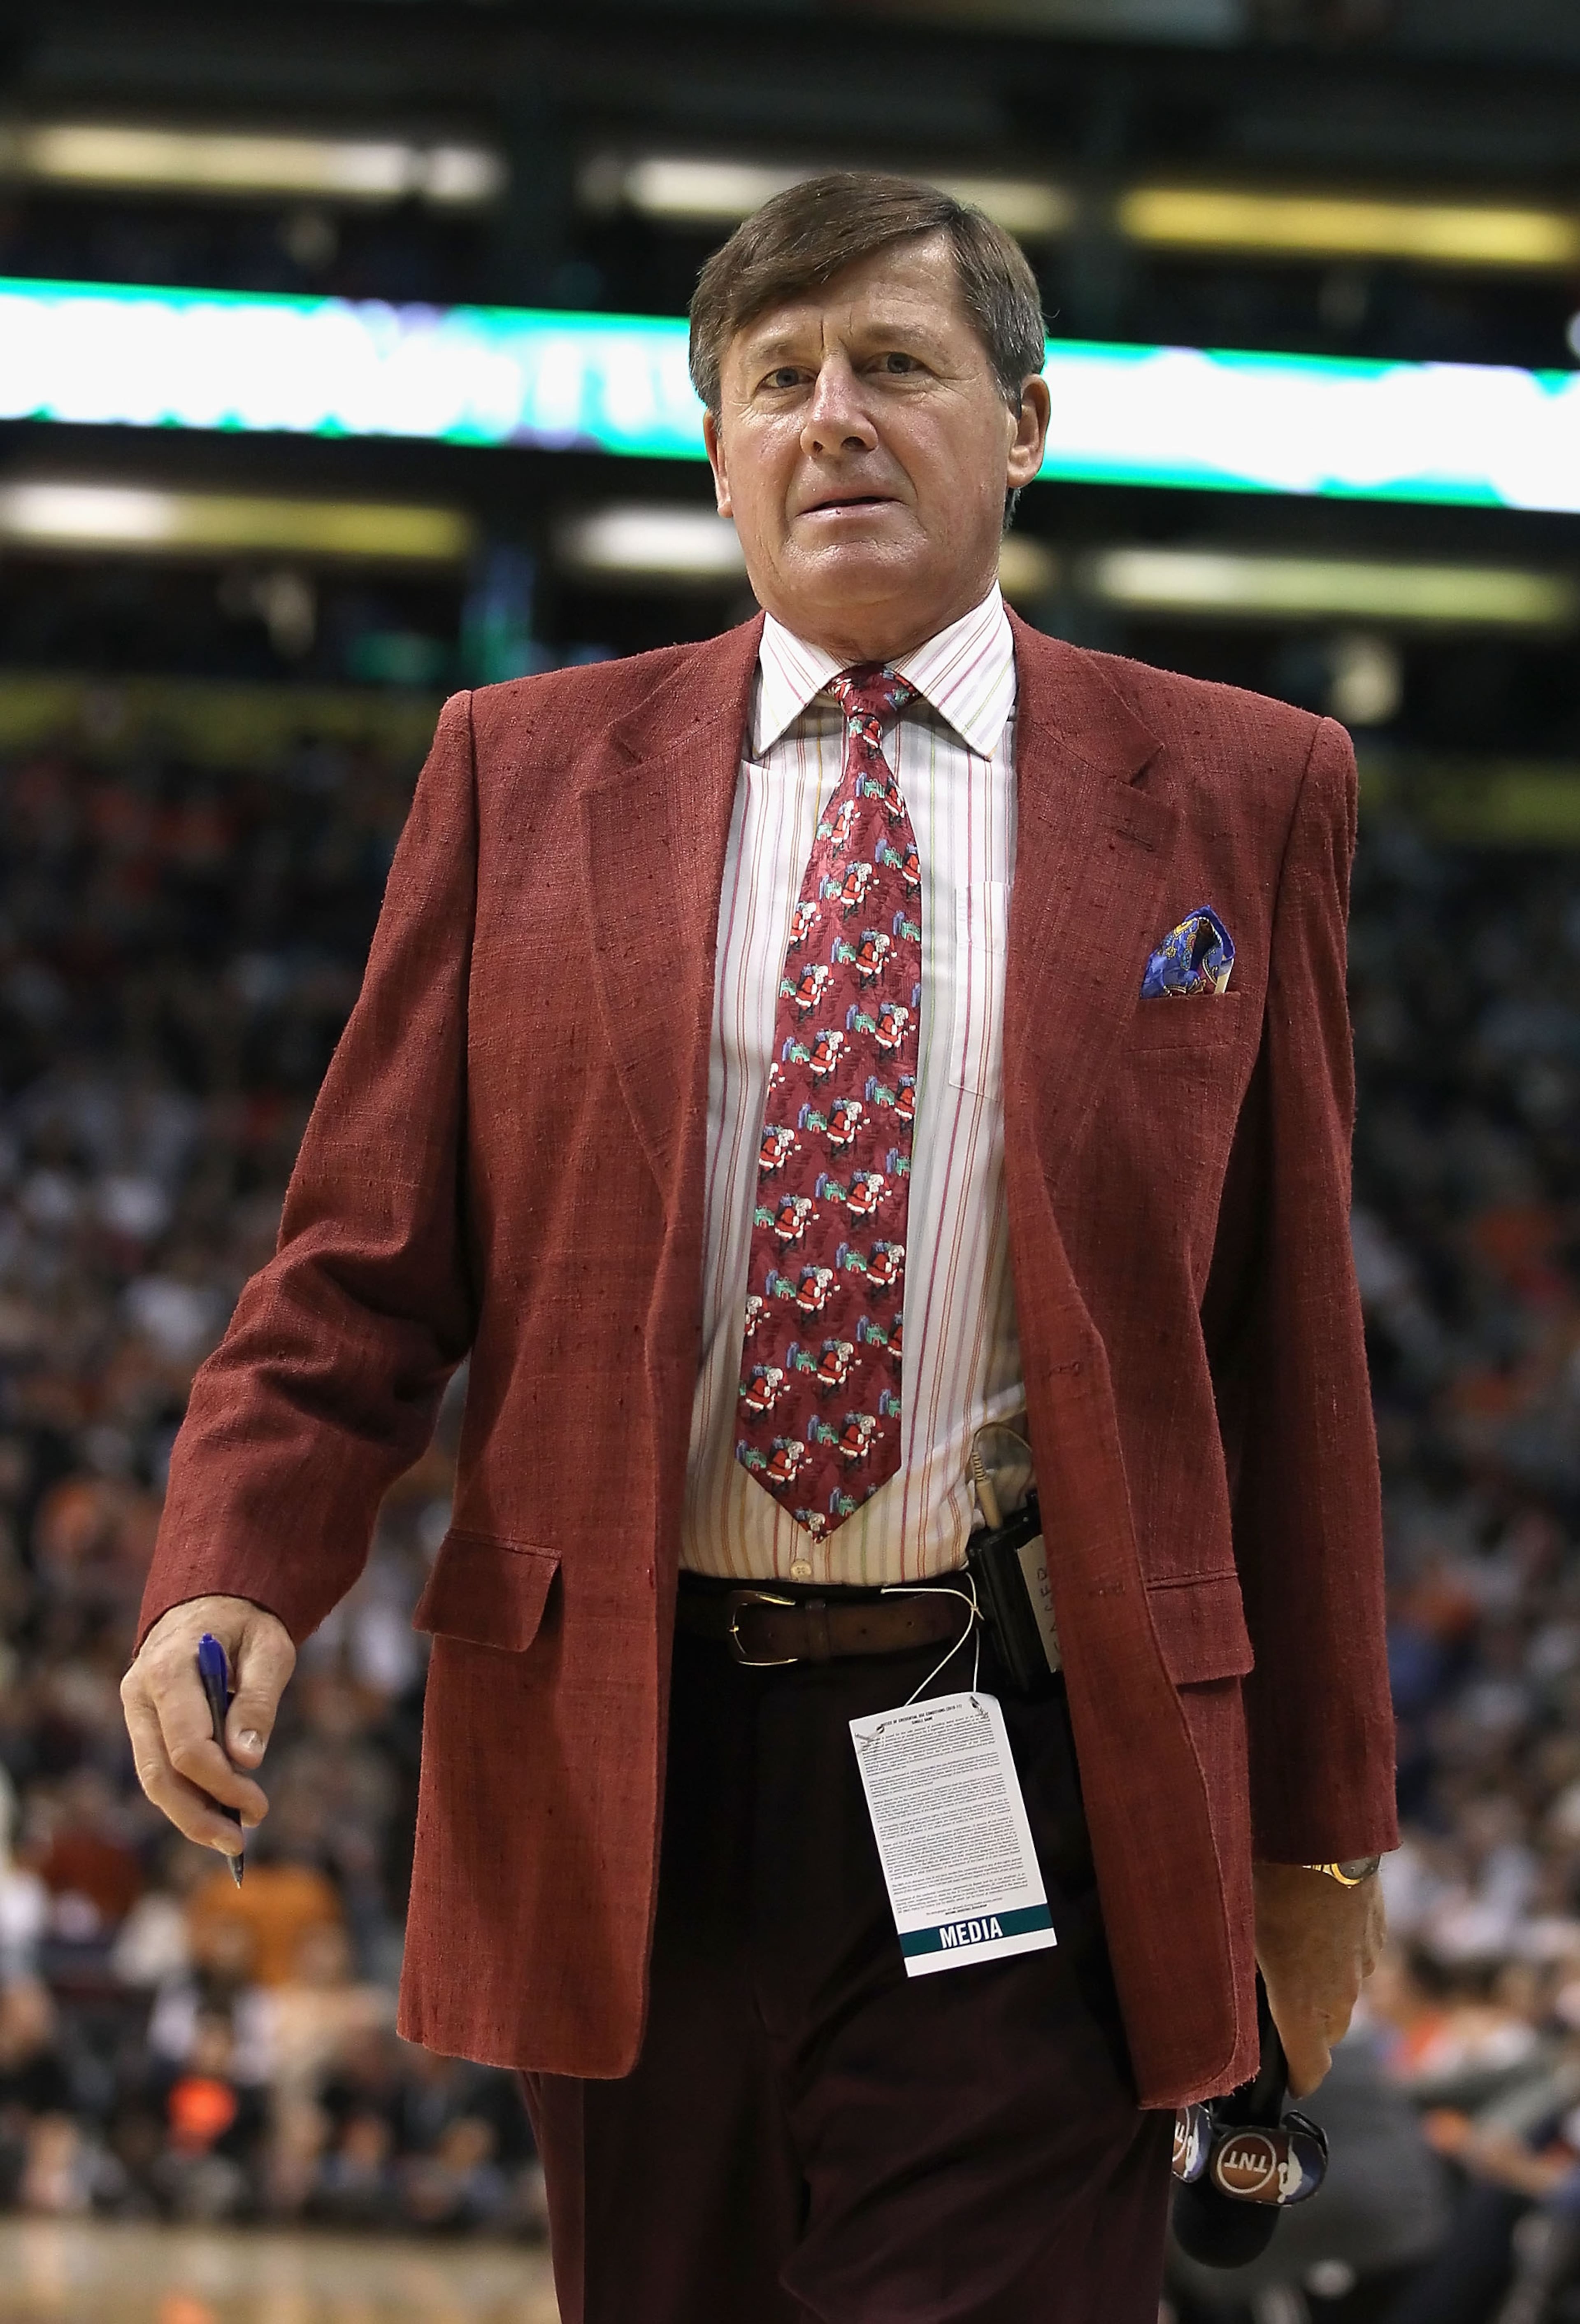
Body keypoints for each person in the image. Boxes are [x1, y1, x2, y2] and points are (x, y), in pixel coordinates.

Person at [119, 172, 1395, 2322]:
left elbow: (1292, 1370)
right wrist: (233, 1561)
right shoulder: (516, 774)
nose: (835, 420)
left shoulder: (1248, 793)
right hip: (630, 1756)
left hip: (1039, 1750)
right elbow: (358, 1261)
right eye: (777, 381)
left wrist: (1325, 1836)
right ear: (718, 455)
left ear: (1024, 425)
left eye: (898, 366)